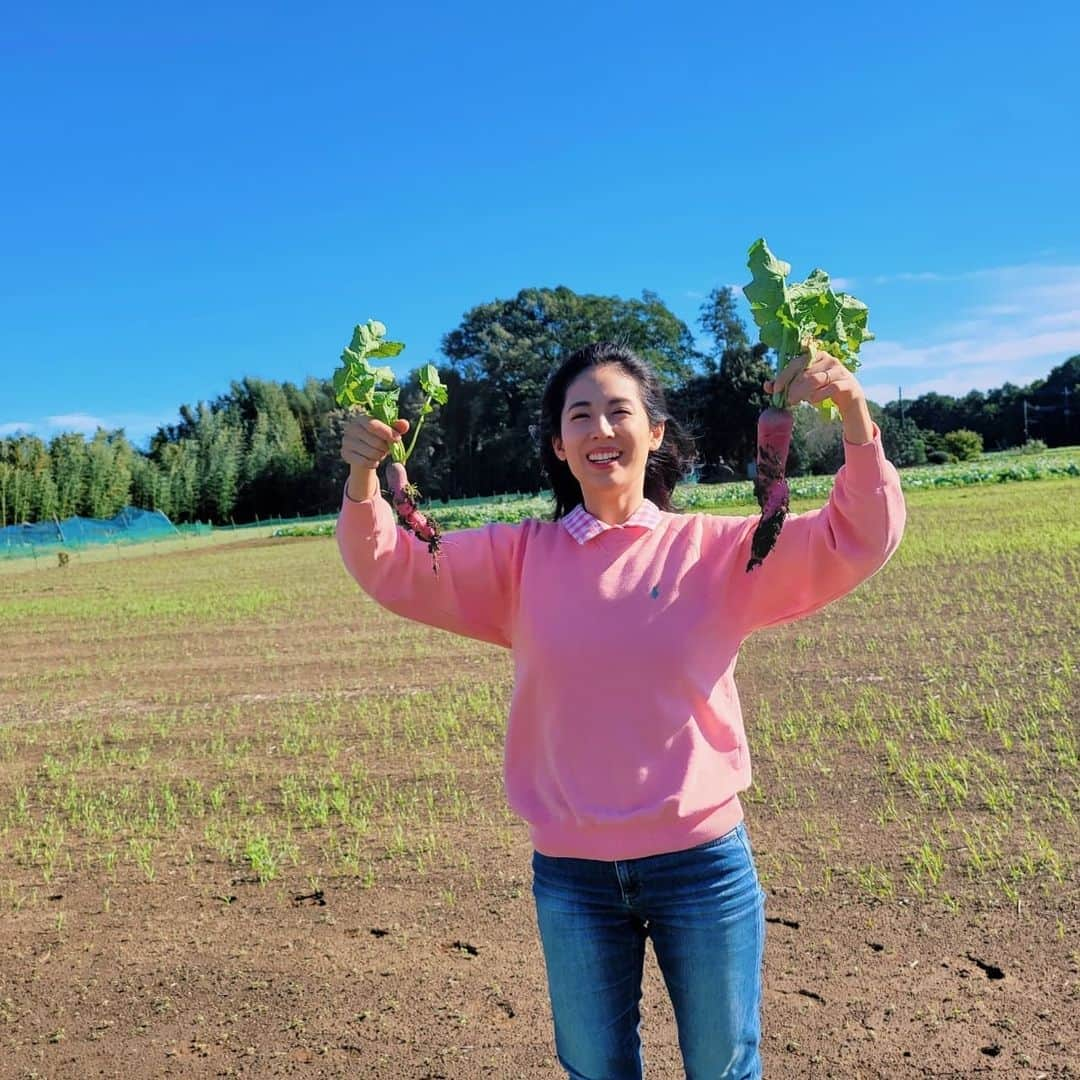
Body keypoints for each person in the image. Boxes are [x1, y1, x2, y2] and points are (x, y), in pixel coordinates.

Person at [337, 341, 906, 1080]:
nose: (601, 428)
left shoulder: (719, 551)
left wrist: (856, 419)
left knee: (724, 1068)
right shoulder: (518, 560)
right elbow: (395, 565)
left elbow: (851, 538)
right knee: (595, 1070)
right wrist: (362, 477)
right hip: (573, 877)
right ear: (558, 445)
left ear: (657, 432)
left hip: (702, 865)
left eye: (619, 411)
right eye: (581, 415)